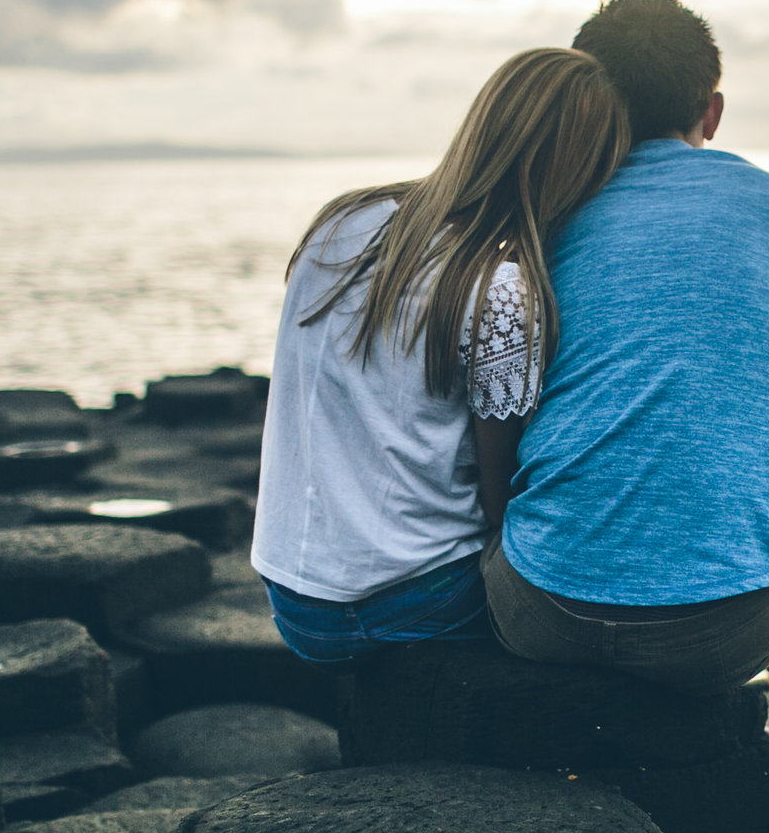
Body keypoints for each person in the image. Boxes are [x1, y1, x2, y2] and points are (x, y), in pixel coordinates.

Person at [481, 0, 769, 738]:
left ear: (582, 96)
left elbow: (503, 406)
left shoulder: (542, 212)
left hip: (544, 611)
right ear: (710, 112)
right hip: (728, 633)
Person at [250, 47, 628, 664]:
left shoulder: (343, 219)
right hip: (409, 602)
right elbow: (497, 496)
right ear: (579, 171)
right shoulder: (502, 288)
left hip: (294, 594)